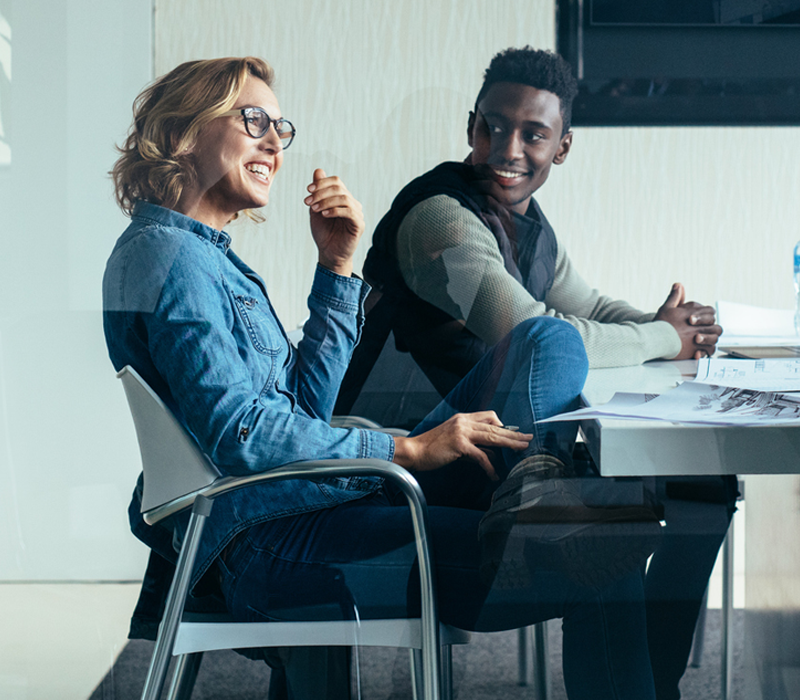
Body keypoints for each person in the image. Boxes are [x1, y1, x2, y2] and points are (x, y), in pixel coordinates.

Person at [103, 56, 659, 700]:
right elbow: (240, 433)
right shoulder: (172, 259)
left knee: (548, 341)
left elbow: (305, 412)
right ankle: (537, 507)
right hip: (278, 545)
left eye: (279, 128)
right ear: (184, 129)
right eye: (251, 119)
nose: (271, 143)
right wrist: (405, 449)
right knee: (602, 552)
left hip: (311, 506)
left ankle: (535, 493)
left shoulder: (199, 259)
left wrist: (336, 268)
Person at [335, 46, 736, 700]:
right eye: (493, 126)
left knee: (705, 485)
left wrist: (668, 328)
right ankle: (550, 517)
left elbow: (590, 306)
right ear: (471, 127)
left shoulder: (525, 222)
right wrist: (661, 337)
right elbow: (538, 333)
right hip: (406, 457)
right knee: (602, 522)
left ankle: (653, 685)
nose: (508, 147)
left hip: (486, 447)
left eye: (533, 134)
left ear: (563, 146)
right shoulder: (441, 218)